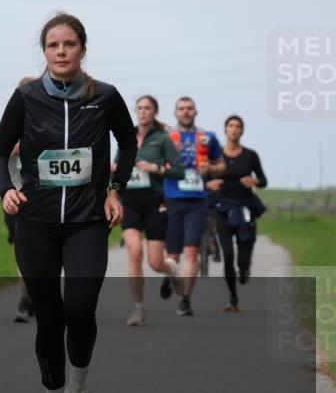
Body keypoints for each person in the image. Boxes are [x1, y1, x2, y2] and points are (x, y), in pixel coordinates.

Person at [0, 13, 135, 393]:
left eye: (69, 44)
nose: (61, 52)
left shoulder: (105, 97)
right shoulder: (27, 96)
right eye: (53, 45)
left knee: (81, 309)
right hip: (36, 222)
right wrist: (6, 191)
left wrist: (115, 188)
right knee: (49, 316)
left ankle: (79, 389)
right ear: (45, 52)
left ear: (82, 49)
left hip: (87, 221)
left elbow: (127, 142)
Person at [113, 95, 185, 327]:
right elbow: (117, 169)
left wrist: (155, 168)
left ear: (154, 112)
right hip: (130, 202)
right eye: (140, 108)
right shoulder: (127, 136)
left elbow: (179, 171)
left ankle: (170, 268)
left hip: (154, 202)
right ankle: (138, 309)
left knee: (155, 263)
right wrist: (114, 169)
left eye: (147, 108)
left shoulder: (162, 139)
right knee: (134, 253)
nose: (142, 112)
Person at [163, 97, 224, 317]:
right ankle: (170, 277)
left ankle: (185, 300)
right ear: (175, 112)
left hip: (197, 200)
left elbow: (221, 165)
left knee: (192, 251)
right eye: (182, 108)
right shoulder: (166, 137)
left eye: (189, 108)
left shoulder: (207, 137)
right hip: (171, 198)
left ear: (196, 111)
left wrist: (211, 169)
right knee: (172, 255)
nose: (186, 112)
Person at [0, 76, 37, 323]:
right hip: (13, 194)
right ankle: (27, 295)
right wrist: (7, 146)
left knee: (43, 250)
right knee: (21, 249)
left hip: (40, 193)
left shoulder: (47, 119)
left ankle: (34, 295)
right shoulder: (8, 120)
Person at [206, 115, 267, 312]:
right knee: (228, 254)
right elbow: (201, 179)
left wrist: (254, 181)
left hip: (245, 208)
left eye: (238, 126)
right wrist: (209, 184)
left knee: (243, 257)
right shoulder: (215, 156)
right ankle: (233, 298)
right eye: (231, 126)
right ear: (225, 130)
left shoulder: (250, 155)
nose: (234, 129)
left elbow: (263, 180)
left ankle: (244, 269)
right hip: (222, 209)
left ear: (242, 131)